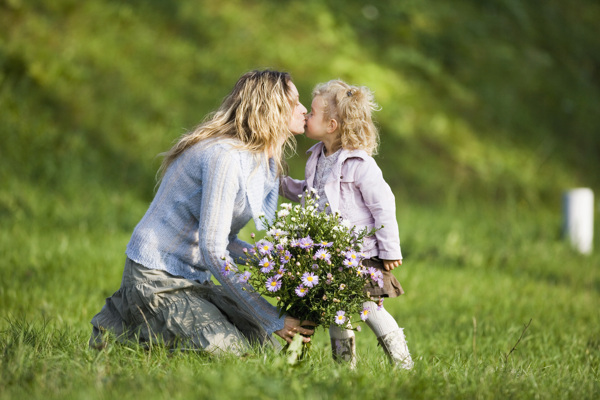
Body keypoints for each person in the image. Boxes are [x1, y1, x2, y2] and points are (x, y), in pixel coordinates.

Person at [89, 70, 315, 355]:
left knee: (263, 349)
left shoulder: (260, 161)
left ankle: (140, 326)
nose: (304, 108)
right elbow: (213, 249)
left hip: (195, 279)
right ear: (270, 108)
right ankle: (130, 324)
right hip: (157, 278)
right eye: (294, 101)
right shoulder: (226, 158)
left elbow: (225, 241)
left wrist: (278, 266)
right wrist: (269, 315)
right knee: (233, 354)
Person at [280, 80, 413, 369]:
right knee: (337, 311)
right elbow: (311, 191)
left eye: (312, 113)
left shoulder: (359, 163)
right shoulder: (318, 156)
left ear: (331, 125)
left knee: (368, 308)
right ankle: (344, 368)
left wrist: (390, 250)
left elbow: (384, 205)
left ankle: (402, 362)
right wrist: (282, 185)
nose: (305, 116)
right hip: (331, 255)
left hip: (360, 254)